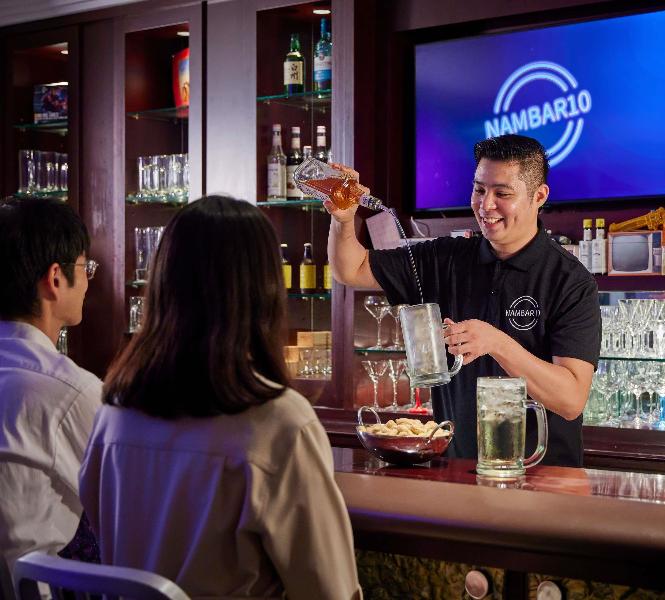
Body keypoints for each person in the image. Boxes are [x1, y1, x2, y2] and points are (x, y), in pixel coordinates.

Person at [79, 196, 362, 599]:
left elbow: (98, 529)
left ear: (162, 284)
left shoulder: (115, 411)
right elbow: (330, 591)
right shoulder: (280, 423)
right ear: (264, 290)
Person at [326, 134, 600, 467]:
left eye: (502, 194)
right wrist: (343, 220)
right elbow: (351, 269)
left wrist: (497, 343)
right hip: (459, 471)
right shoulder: (446, 258)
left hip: (545, 477)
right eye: (479, 189)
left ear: (539, 196)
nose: (486, 205)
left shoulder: (569, 280)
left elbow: (571, 400)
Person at [0, 196, 102, 579]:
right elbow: (131, 504)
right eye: (85, 266)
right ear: (55, 278)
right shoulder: (70, 393)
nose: (88, 280)